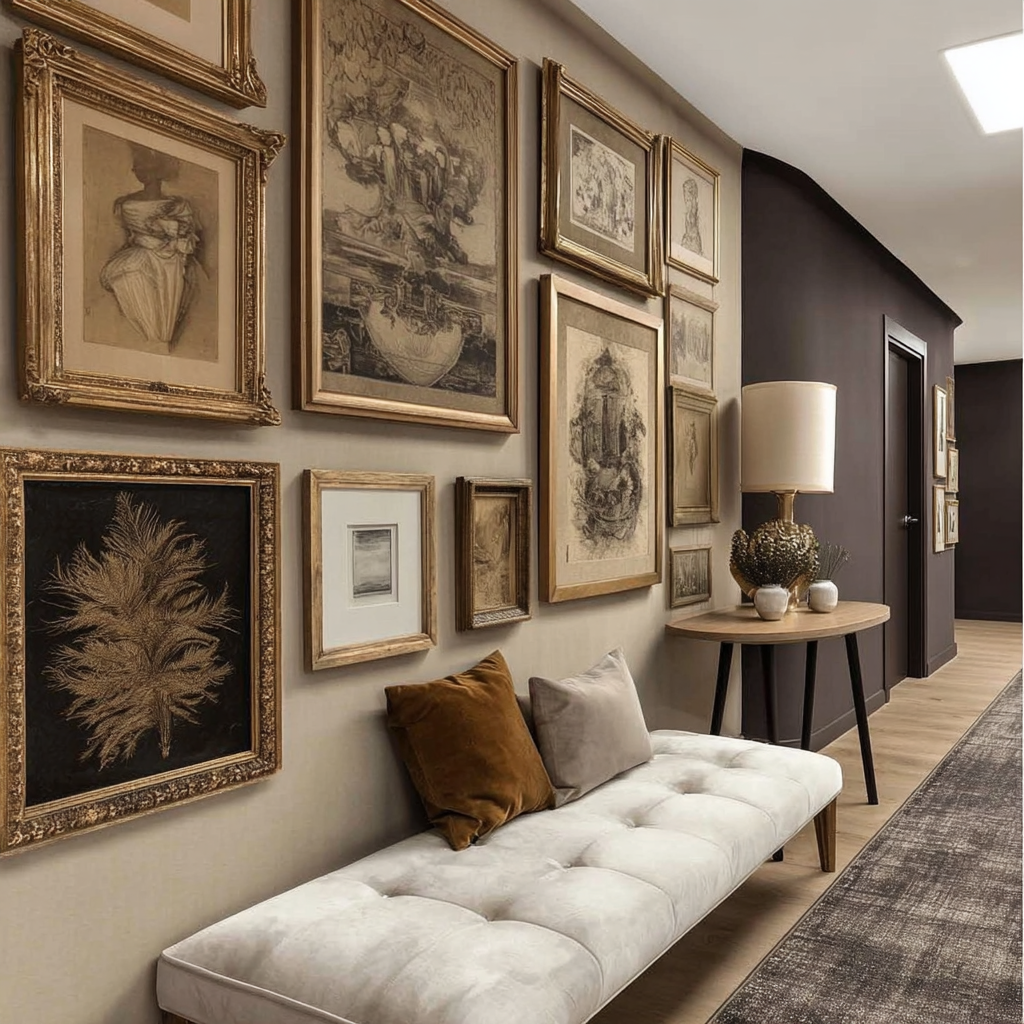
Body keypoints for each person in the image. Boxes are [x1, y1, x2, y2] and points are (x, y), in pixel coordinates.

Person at [100, 144, 202, 350]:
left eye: (145, 165)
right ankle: (150, 341)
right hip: (140, 254)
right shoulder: (124, 204)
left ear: (159, 169)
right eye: (137, 166)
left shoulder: (177, 205)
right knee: (126, 277)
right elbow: (125, 236)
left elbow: (185, 236)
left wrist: (167, 229)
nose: (138, 170)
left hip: (170, 259)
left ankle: (159, 343)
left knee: (164, 306)